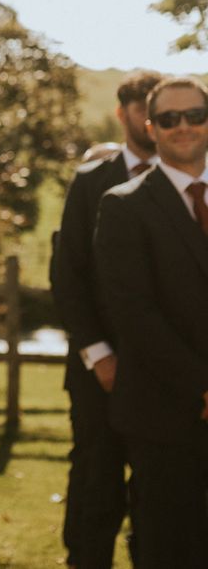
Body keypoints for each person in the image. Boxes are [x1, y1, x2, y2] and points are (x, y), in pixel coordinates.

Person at [94, 76, 208, 569]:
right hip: (166, 417)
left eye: (195, 115)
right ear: (150, 126)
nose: (183, 126)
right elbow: (133, 313)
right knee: (171, 548)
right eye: (169, 118)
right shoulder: (124, 205)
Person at [52, 70, 162, 568]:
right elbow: (68, 274)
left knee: (161, 491)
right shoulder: (91, 181)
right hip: (99, 368)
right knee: (95, 480)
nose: (155, 122)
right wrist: (99, 354)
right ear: (123, 114)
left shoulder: (191, 181)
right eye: (145, 110)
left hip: (169, 374)